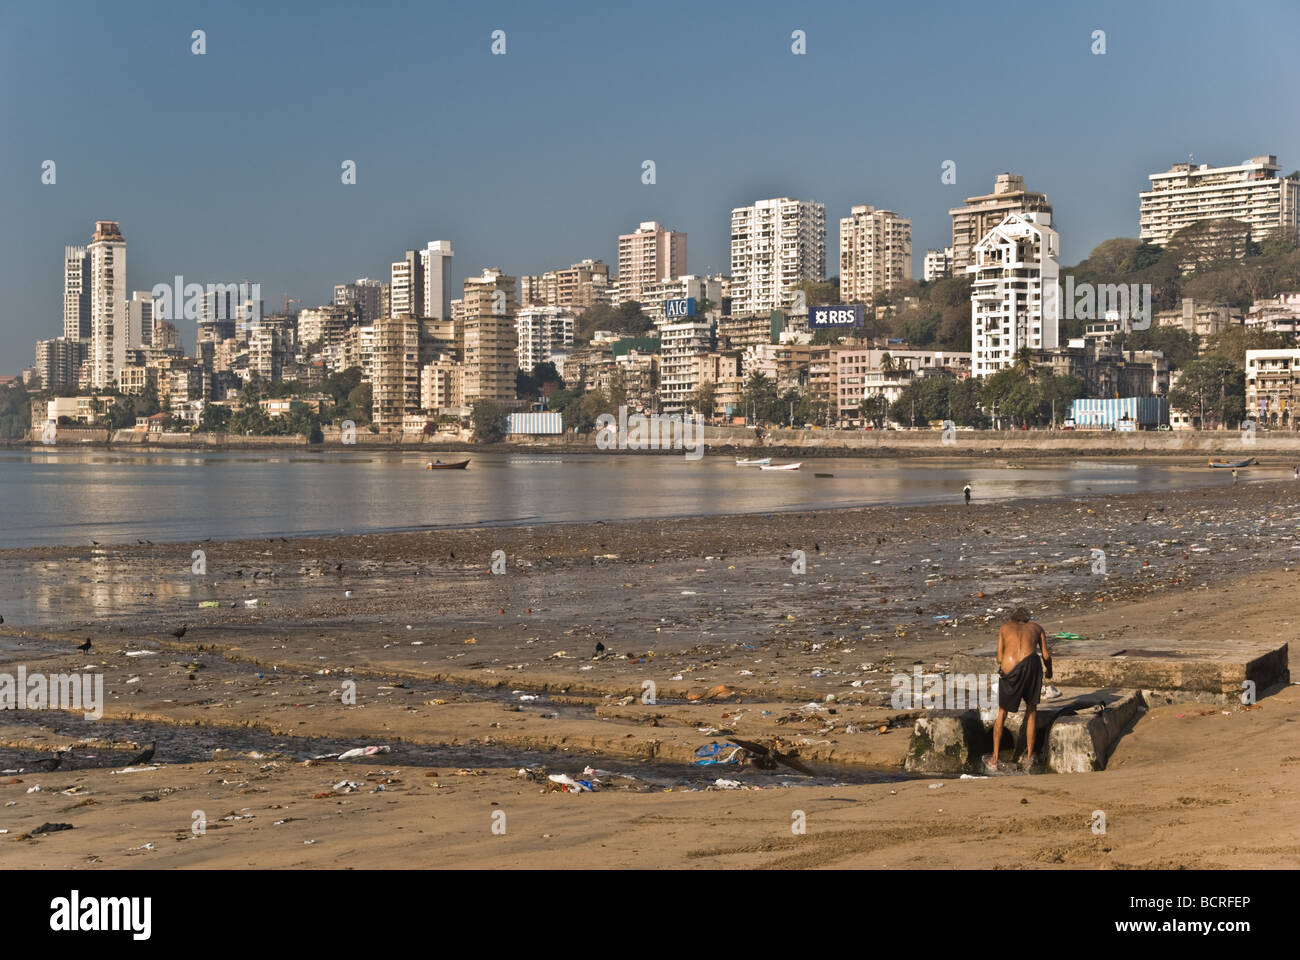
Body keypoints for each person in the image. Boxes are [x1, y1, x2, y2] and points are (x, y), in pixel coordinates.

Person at [989, 607, 1051, 772]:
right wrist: (1049, 671)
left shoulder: (1004, 628)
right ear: (1028, 620)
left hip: (1010, 669)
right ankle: (1029, 759)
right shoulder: (1037, 628)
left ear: (1012, 620)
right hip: (1032, 665)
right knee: (1031, 711)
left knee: (1001, 713)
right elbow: (1046, 655)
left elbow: (999, 658)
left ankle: (994, 759)